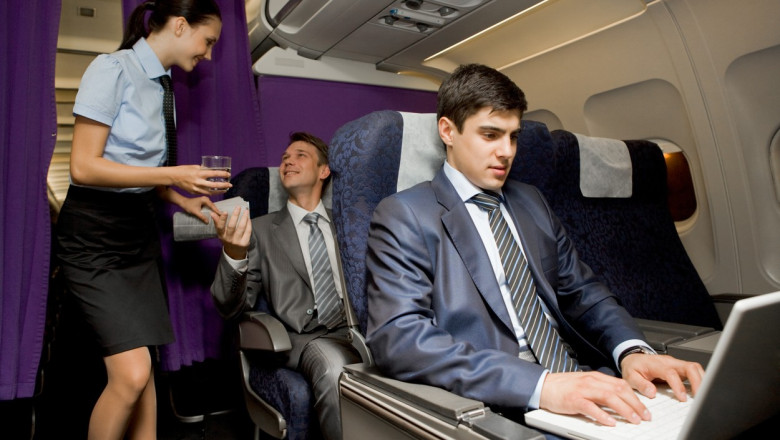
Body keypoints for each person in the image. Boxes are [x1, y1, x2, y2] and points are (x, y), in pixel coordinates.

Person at [365, 64, 705, 434]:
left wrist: (631, 351)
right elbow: (399, 337)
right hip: (500, 402)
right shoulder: (406, 214)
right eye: (490, 135)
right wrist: (540, 386)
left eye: (513, 136)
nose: (506, 152)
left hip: (580, 376)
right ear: (448, 131)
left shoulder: (530, 201)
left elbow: (584, 292)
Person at [54, 1, 225, 439]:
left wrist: (182, 199)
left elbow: (141, 173)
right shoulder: (112, 69)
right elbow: (84, 167)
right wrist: (172, 175)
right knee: (130, 375)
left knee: (146, 372)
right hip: (94, 236)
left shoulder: (164, 88)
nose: (208, 54)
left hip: (138, 235)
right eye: (207, 41)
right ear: (181, 25)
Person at [211, 132, 362, 440]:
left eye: (300, 155)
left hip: (359, 330)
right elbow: (230, 306)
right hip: (306, 339)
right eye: (284, 158)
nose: (288, 161)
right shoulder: (260, 230)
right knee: (334, 368)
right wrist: (234, 254)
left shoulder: (349, 226)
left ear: (323, 170)